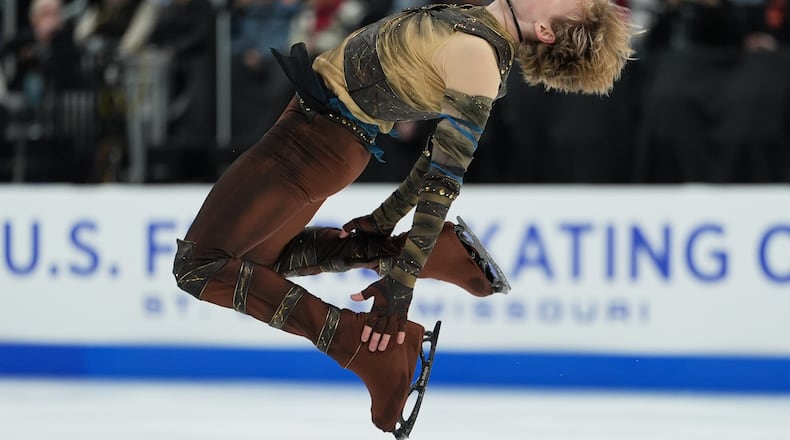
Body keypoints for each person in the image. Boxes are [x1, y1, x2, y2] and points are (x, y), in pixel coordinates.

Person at [173, 0, 634, 436]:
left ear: (545, 30)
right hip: (321, 133)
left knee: (198, 266)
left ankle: (353, 344)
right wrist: (385, 220)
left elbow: (443, 178)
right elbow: (434, 154)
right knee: (254, 264)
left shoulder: (480, 57)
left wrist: (401, 285)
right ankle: (400, 254)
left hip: (313, 144)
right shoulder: (478, 27)